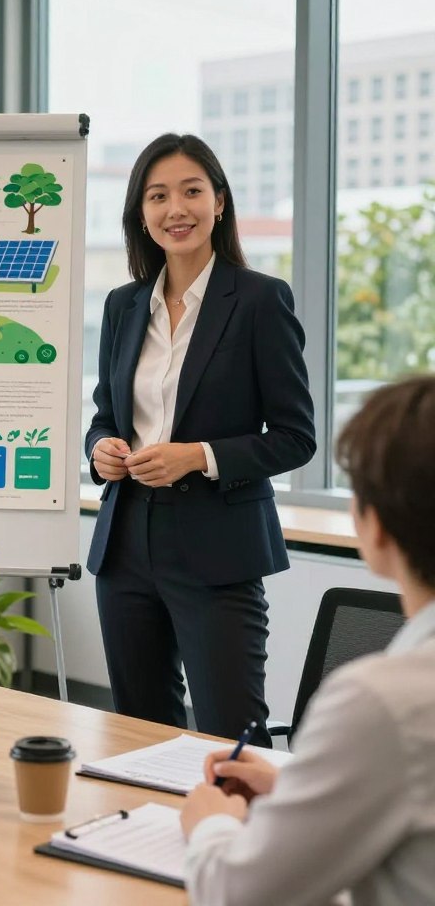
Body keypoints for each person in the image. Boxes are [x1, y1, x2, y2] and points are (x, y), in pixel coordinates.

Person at [85, 133, 315, 743]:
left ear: (220, 202)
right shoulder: (122, 306)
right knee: (137, 734)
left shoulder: (261, 300)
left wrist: (200, 456)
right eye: (157, 196)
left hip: (219, 547)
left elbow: (295, 437)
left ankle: (240, 842)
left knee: (230, 736)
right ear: (141, 213)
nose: (175, 209)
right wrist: (101, 449)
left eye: (191, 191)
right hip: (126, 544)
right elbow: (106, 415)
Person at [181, 375, 435, 905]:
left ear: (376, 528)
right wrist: (305, 793)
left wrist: (213, 823)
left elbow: (239, 893)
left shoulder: (383, 701)